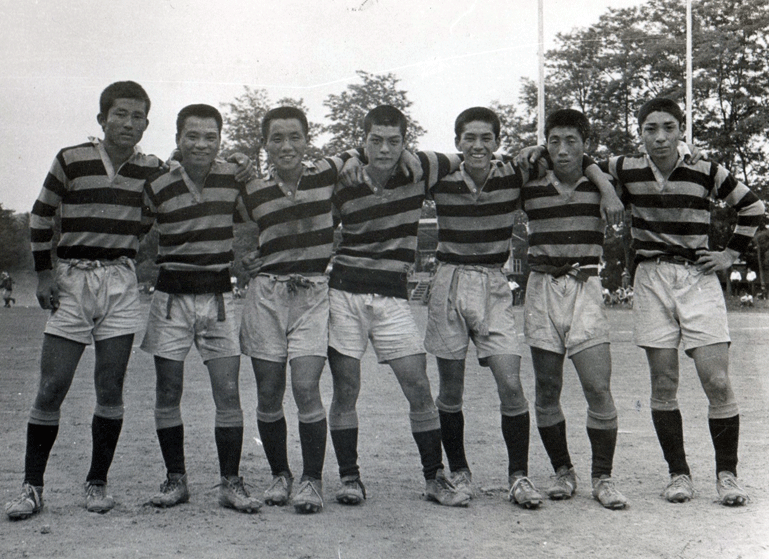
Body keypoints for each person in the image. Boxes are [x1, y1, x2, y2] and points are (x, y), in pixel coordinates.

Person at [424, 107, 622, 509]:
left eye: (486, 138)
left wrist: (606, 186)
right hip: (460, 280)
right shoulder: (463, 176)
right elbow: (404, 164)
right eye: (469, 138)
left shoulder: (527, 175)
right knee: (456, 388)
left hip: (535, 283)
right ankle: (464, 471)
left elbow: (578, 160)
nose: (478, 145)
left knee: (522, 386)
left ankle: (545, 476)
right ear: (458, 142)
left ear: (498, 142)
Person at [5, 81, 162, 518]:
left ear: (146, 124)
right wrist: (44, 273)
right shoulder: (71, 158)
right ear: (102, 118)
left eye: (137, 116)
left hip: (121, 281)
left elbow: (165, 203)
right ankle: (32, 487)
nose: (128, 123)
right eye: (120, 114)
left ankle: (97, 483)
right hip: (73, 278)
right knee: (52, 386)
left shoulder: (152, 169)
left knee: (110, 387)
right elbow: (41, 214)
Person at [599, 97, 763, 506]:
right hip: (651, 279)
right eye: (650, 129)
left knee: (717, 381)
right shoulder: (625, 168)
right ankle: (679, 474)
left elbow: (753, 206)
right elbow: (584, 166)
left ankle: (727, 475)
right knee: (664, 381)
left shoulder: (705, 169)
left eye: (668, 128)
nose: (660, 137)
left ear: (681, 131)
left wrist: (729, 254)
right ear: (640, 134)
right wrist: (606, 190)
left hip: (697, 278)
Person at [238, 107, 380, 514]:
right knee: (269, 391)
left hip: (313, 294)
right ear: (265, 144)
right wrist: (245, 258)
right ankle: (280, 474)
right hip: (267, 295)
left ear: (307, 139)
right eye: (277, 138)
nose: (287, 146)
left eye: (295, 137)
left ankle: (311, 480)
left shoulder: (326, 173)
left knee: (305, 387)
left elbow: (366, 148)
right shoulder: (251, 188)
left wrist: (356, 159)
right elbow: (230, 227)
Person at [327, 105, 468, 507]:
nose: (385, 149)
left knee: (418, 386)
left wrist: (412, 155)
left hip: (391, 296)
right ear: (364, 140)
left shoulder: (420, 168)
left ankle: (434, 477)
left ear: (405, 142)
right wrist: (350, 157)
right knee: (346, 389)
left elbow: (467, 156)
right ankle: (350, 478)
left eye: (394, 142)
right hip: (345, 292)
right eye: (376, 141)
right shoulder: (343, 178)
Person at [140, 104, 261, 513]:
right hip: (170, 298)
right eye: (192, 136)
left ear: (220, 141)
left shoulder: (232, 178)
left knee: (227, 392)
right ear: (178, 138)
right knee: (168, 390)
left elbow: (266, 215)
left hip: (218, 298)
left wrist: (257, 255)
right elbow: (132, 227)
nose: (201, 144)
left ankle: (230, 482)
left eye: (211, 137)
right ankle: (176, 480)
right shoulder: (158, 183)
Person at [521, 109, 627, 510]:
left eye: (572, 141)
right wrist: (526, 154)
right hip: (541, 287)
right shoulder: (529, 182)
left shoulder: (605, 183)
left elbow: (612, 171)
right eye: (554, 141)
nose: (562, 150)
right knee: (547, 388)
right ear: (545, 144)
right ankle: (563, 471)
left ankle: (603, 477)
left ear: (586, 145)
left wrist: (605, 185)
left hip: (585, 286)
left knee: (597, 387)